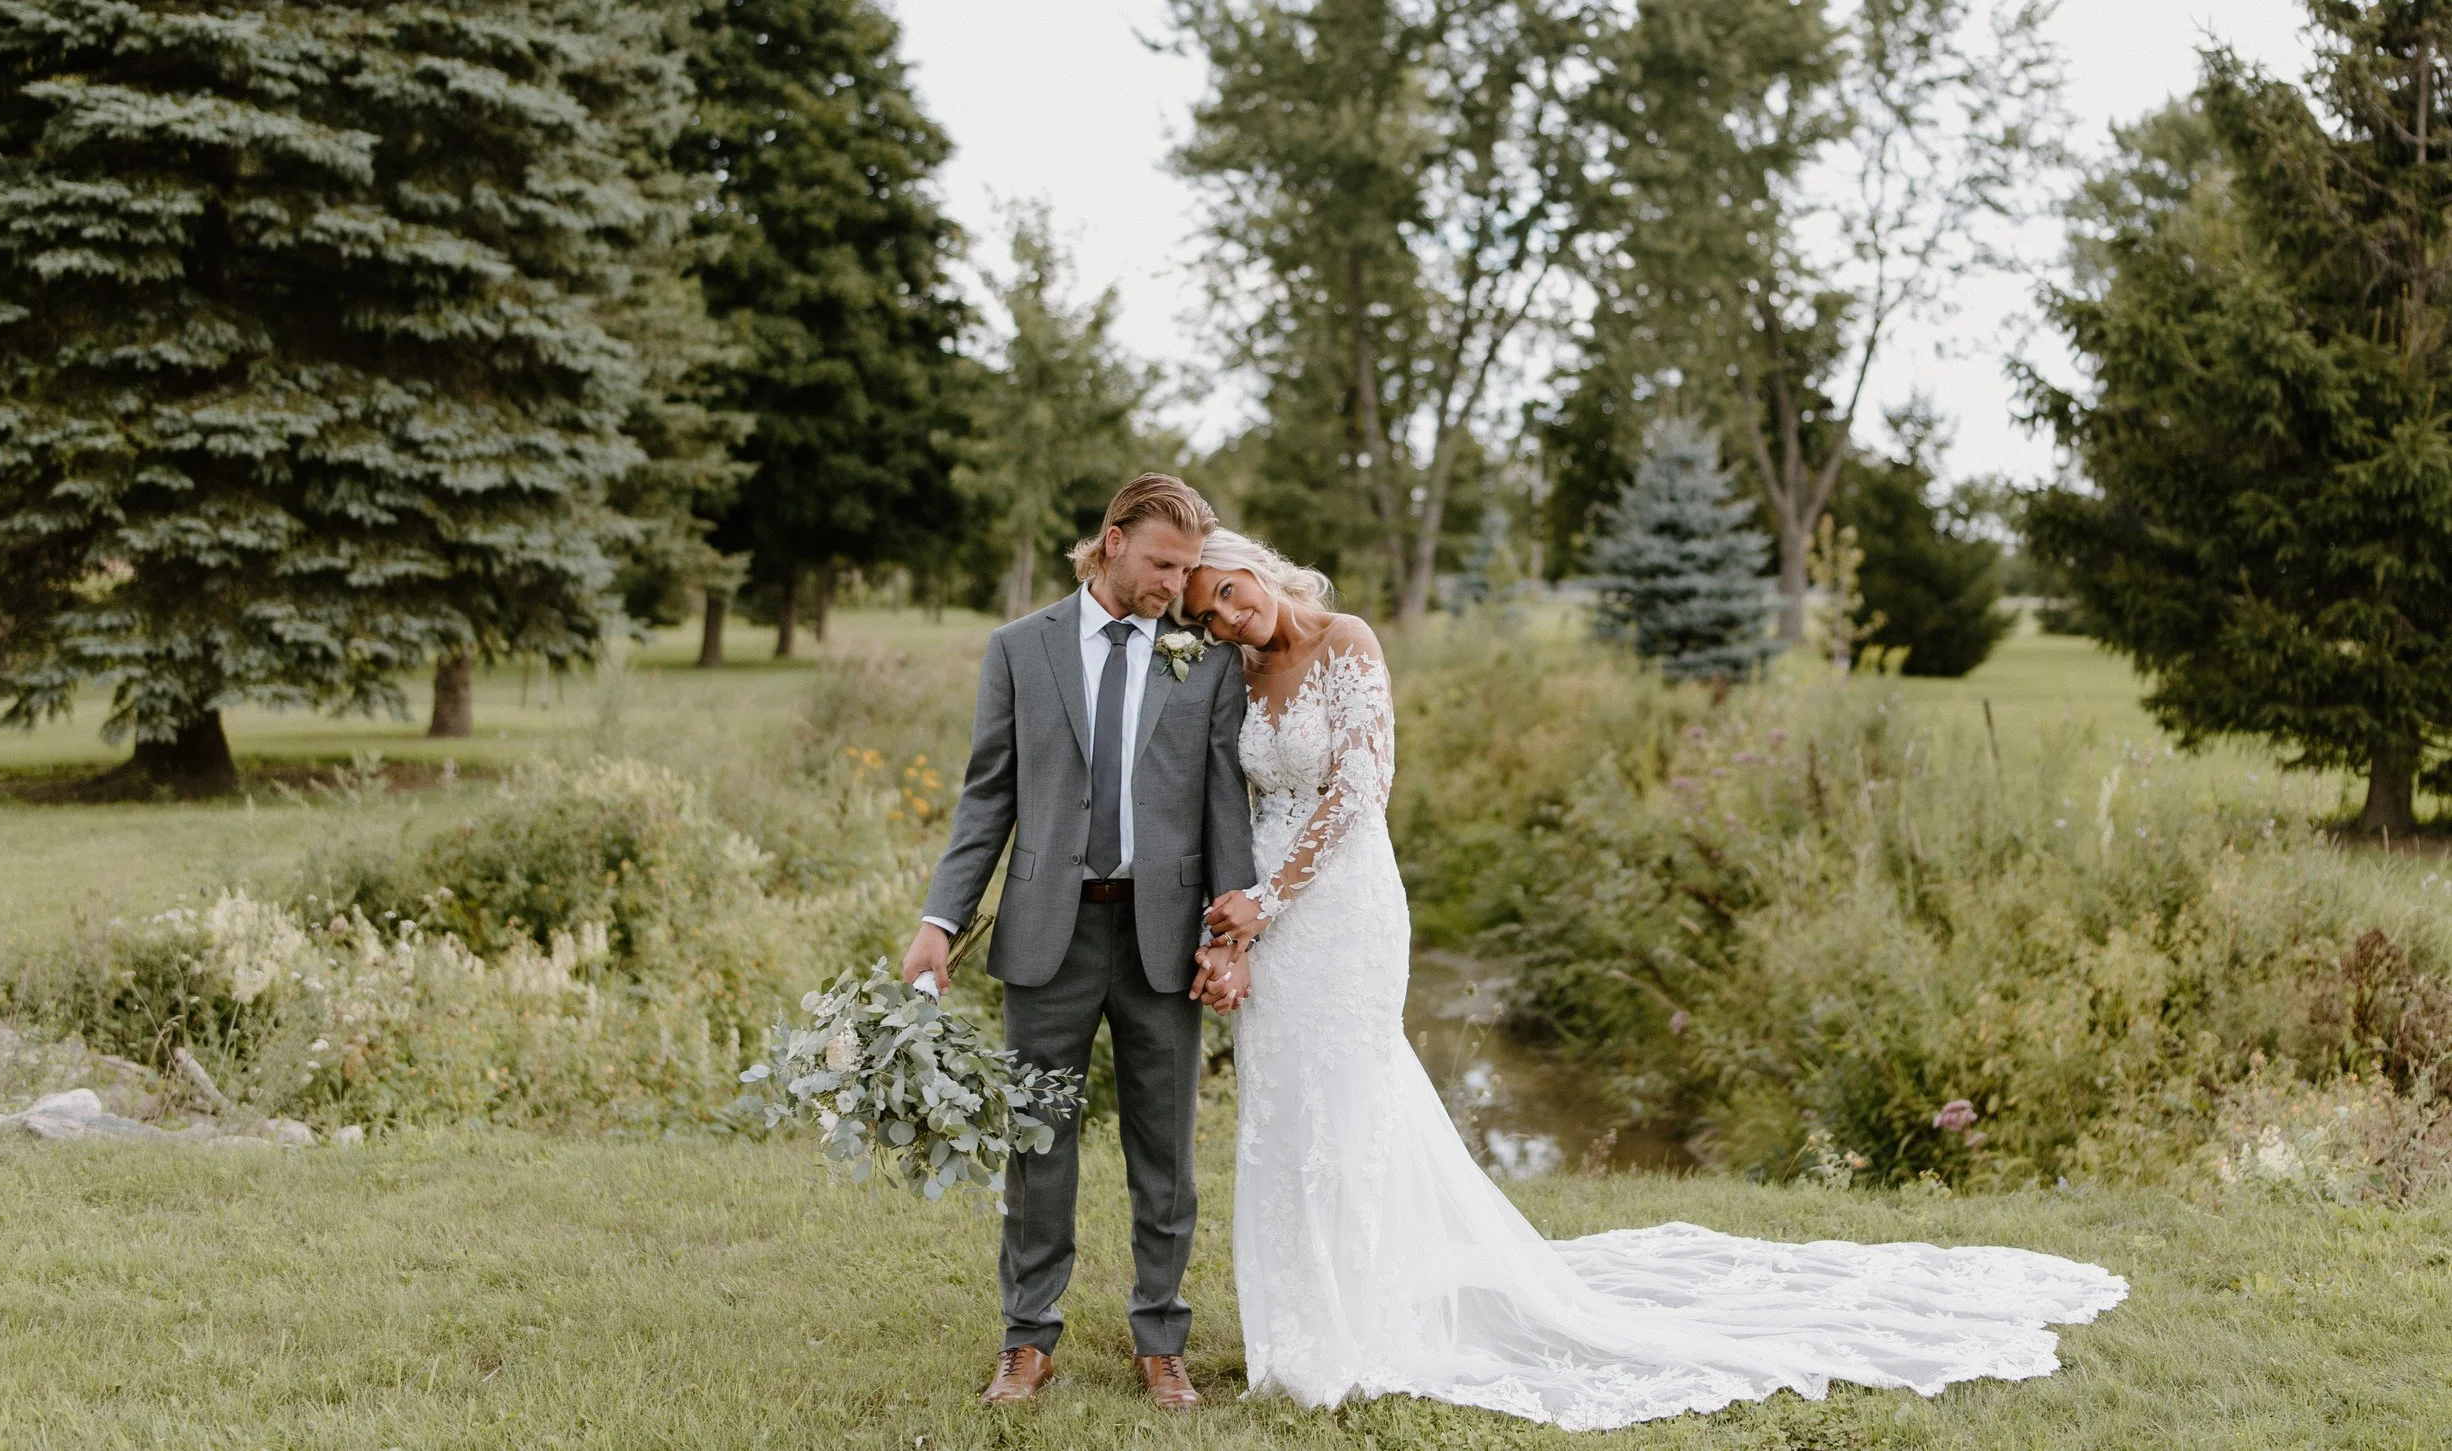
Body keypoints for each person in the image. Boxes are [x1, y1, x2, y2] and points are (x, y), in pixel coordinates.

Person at [1179, 529, 2127, 1432]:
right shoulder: (1233, 673)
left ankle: (1357, 1325)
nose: (1226, 618)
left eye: (1228, 591)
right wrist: (1237, 923)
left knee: (1348, 1101)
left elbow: (1361, 789)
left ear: (1255, 568)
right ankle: (1296, 1332)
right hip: (1264, 913)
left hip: (1340, 904)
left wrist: (1268, 898)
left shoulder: (1349, 641)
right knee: (1285, 1108)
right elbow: (1229, 795)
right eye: (1207, 616)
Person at [901, 474, 1257, 1412]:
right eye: (1160, 563)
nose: (1175, 585)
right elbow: (988, 798)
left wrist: (1231, 934)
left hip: (1163, 937)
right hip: (1046, 934)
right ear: (1110, 541)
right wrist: (940, 921)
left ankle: (1162, 1339)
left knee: (1165, 1146)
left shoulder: (1204, 658)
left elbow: (1227, 806)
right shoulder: (1020, 648)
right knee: (1037, 1142)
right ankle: (1028, 1339)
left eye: (1187, 569)